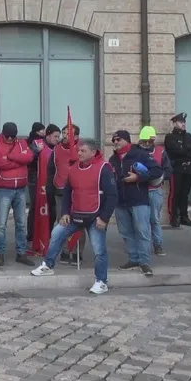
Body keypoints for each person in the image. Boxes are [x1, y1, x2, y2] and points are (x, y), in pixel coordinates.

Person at [31, 140, 117, 295]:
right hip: (74, 214)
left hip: (95, 217)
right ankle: (47, 265)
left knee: (99, 250)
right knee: (56, 234)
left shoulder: (104, 168)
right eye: (79, 151)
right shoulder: (73, 169)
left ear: (93, 152)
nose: (79, 153)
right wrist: (64, 212)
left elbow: (112, 196)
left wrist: (104, 218)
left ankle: (101, 281)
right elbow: (66, 194)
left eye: (83, 151)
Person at [109, 129, 163, 277]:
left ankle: (144, 261)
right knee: (126, 232)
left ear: (127, 140)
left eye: (118, 139)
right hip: (120, 201)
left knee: (142, 231)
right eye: (114, 140)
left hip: (139, 199)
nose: (116, 142)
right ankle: (133, 259)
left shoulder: (140, 154)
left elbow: (157, 171)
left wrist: (138, 178)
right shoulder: (113, 159)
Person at [0, 122, 36, 267]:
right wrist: (19, 160)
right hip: (4, 189)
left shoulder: (21, 143)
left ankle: (21, 253)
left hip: (20, 188)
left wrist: (10, 157)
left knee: (21, 224)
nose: (10, 139)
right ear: (3, 133)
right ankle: (0, 254)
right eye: (7, 136)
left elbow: (29, 157)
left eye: (12, 136)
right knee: (1, 224)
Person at [47, 124, 82, 263]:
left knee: (79, 221)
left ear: (77, 136)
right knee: (62, 221)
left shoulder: (82, 148)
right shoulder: (56, 149)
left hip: (79, 190)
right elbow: (50, 169)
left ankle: (76, 252)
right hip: (60, 189)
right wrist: (49, 186)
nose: (65, 136)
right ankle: (65, 251)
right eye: (63, 133)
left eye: (69, 134)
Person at [137, 126, 172, 257]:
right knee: (140, 220)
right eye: (144, 141)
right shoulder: (136, 152)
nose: (146, 144)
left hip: (155, 190)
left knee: (154, 219)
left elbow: (168, 169)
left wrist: (161, 177)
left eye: (149, 141)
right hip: (140, 189)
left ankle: (158, 244)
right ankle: (142, 245)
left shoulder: (160, 152)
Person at [27, 124, 61, 255]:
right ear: (47, 135)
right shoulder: (37, 144)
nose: (57, 139)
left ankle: (49, 236)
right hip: (35, 181)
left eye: (59, 136)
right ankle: (32, 236)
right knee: (36, 208)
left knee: (52, 210)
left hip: (52, 184)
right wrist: (36, 151)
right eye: (55, 136)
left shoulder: (58, 148)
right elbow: (28, 159)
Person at [164, 112, 191, 228]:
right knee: (175, 193)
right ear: (174, 123)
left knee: (185, 194)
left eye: (184, 122)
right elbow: (174, 151)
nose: (183, 124)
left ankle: (184, 216)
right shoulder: (170, 137)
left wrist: (185, 149)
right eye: (180, 122)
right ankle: (174, 217)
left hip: (188, 168)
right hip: (176, 168)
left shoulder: (188, 136)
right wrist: (187, 150)